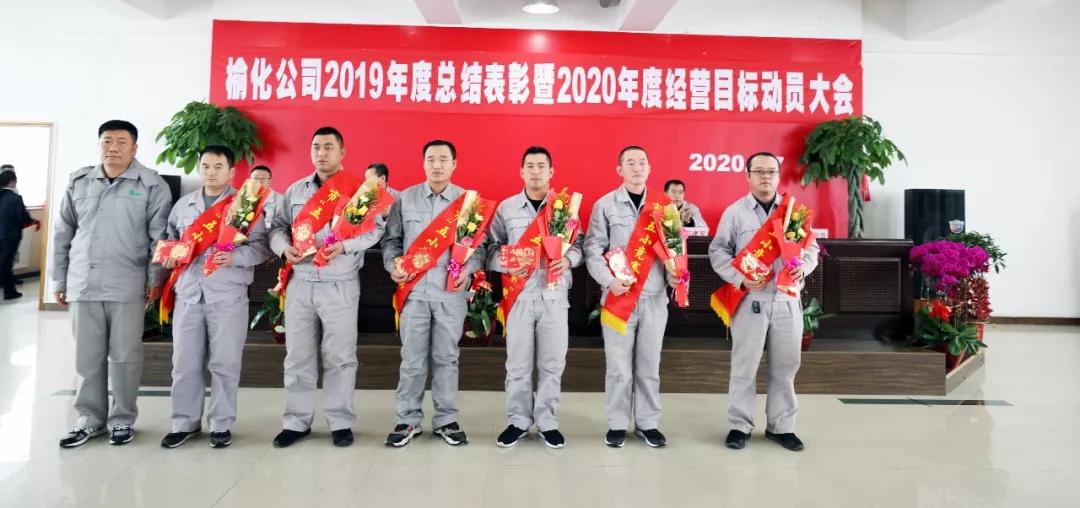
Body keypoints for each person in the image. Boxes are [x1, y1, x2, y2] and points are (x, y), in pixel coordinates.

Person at [53, 120, 172, 447]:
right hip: (83, 282)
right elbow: (63, 233)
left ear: (135, 148)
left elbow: (159, 239)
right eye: (107, 141)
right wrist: (59, 278)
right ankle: (89, 419)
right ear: (99, 145)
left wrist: (155, 279)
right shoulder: (79, 182)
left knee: (125, 356)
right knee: (86, 357)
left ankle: (122, 419)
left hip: (128, 284)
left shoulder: (152, 185)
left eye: (121, 142)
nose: (113, 148)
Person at [268, 127, 385, 448]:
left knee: (340, 357)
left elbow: (375, 231)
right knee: (297, 356)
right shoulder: (295, 190)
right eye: (316, 147)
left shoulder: (359, 189)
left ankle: (340, 421)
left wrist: (346, 246)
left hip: (340, 284)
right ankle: (296, 422)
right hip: (301, 282)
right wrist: (283, 248)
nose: (322, 153)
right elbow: (278, 227)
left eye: (329, 147)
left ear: (342, 152)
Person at [158, 145, 271, 449]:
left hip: (227, 296)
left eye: (218, 166)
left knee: (225, 364)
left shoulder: (246, 206)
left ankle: (221, 424)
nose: (211, 172)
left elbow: (261, 249)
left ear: (232, 171)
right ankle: (184, 423)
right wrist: (168, 257)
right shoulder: (184, 205)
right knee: (184, 364)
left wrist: (234, 258)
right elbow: (170, 241)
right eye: (206, 166)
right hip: (189, 295)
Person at [708, 151, 819, 452]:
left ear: (778, 176)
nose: (765, 176)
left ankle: (781, 427)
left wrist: (803, 267)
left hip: (787, 298)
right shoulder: (735, 212)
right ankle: (739, 426)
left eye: (771, 171)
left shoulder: (794, 212)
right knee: (744, 366)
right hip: (751, 299)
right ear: (748, 176)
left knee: (786, 366)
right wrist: (740, 279)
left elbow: (811, 249)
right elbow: (718, 252)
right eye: (759, 171)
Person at [381, 140, 484, 447]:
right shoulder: (406, 199)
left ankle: (446, 420)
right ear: (423, 163)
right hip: (414, 292)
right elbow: (391, 241)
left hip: (451, 294)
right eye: (431, 159)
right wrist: (392, 265)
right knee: (412, 360)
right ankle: (407, 420)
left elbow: (479, 248)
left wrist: (469, 269)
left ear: (454, 164)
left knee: (447, 358)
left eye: (443, 159)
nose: (437, 165)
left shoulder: (468, 202)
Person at [486, 146, 582, 449]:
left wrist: (568, 260)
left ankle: (547, 421)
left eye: (542, 166)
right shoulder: (507, 208)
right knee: (518, 364)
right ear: (521, 171)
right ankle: (518, 420)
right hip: (519, 297)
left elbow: (579, 245)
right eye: (530, 166)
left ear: (551, 171)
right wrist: (507, 262)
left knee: (552, 363)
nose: (536, 171)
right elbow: (490, 249)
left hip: (554, 296)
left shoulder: (565, 208)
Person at [584, 145, 678, 449]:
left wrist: (676, 276)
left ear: (649, 168)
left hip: (654, 298)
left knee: (649, 366)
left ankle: (648, 423)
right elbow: (592, 249)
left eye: (642, 163)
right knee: (618, 368)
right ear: (619, 169)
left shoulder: (665, 206)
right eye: (630, 163)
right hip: (618, 299)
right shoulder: (605, 205)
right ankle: (617, 424)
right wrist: (609, 281)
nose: (637, 168)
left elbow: (675, 251)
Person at [0, 168, 40, 299]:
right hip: (10, 236)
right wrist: (32, 220)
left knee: (3, 264)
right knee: (6, 264)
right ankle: (9, 292)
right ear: (12, 182)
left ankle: (9, 290)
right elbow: (22, 218)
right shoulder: (15, 198)